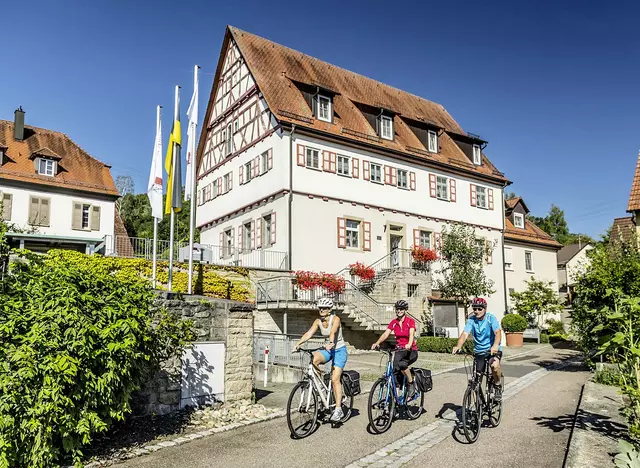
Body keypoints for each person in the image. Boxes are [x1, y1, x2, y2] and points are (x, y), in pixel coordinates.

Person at [293, 297, 348, 422]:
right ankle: (320, 386)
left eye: (325, 308)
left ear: (329, 309)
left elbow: (333, 332)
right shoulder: (318, 321)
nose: (322, 310)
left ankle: (338, 409)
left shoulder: (336, 319)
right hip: (328, 350)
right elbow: (308, 333)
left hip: (339, 350)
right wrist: (298, 344)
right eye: (320, 308)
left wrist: (330, 342)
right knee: (314, 359)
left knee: (335, 379)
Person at [452, 297, 503, 400]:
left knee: (494, 365)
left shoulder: (490, 318)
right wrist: (458, 346)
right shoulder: (471, 320)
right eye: (474, 309)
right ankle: (478, 407)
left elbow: (497, 333)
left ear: (485, 309)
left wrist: (495, 345)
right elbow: (465, 334)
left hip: (492, 350)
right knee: (476, 380)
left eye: (480, 309)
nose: (477, 311)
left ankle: (497, 385)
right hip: (479, 352)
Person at [371, 300, 418, 397]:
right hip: (399, 350)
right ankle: (396, 398)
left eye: (401, 309)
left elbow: (411, 333)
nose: (399, 311)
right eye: (397, 309)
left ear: (405, 310)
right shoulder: (394, 322)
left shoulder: (410, 321)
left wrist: (409, 344)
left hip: (410, 350)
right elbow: (386, 334)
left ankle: (411, 383)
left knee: (402, 365)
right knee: (395, 371)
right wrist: (377, 343)